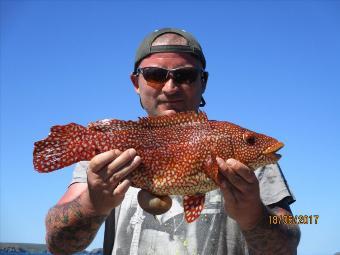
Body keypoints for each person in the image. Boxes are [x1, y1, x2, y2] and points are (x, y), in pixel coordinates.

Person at [45, 28, 300, 255]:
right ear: (136, 82)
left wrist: (254, 215)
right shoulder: (104, 158)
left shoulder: (256, 166)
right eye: (154, 74)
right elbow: (57, 245)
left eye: (186, 76)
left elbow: (288, 247)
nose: (170, 87)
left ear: (203, 82)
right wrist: (92, 203)